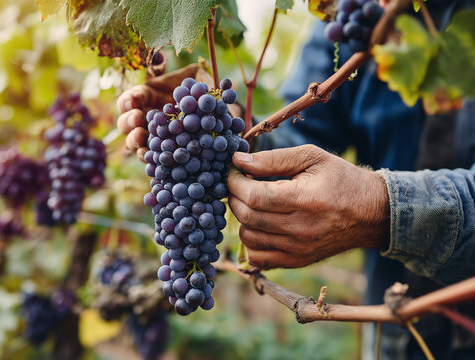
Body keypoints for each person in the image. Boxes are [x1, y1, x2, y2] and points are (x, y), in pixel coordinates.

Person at [116, 1, 475, 357]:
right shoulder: (353, 12)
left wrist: (383, 209)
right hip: (390, 332)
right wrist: (226, 131)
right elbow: (303, 137)